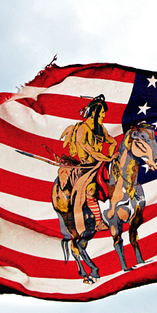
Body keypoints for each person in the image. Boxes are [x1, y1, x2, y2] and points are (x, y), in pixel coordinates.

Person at [55, 95, 117, 234]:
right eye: (101, 114)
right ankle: (98, 221)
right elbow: (89, 149)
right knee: (90, 191)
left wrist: (109, 156)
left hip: (100, 162)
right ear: (94, 113)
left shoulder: (100, 128)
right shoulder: (83, 129)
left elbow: (112, 141)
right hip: (86, 166)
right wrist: (106, 159)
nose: (103, 117)